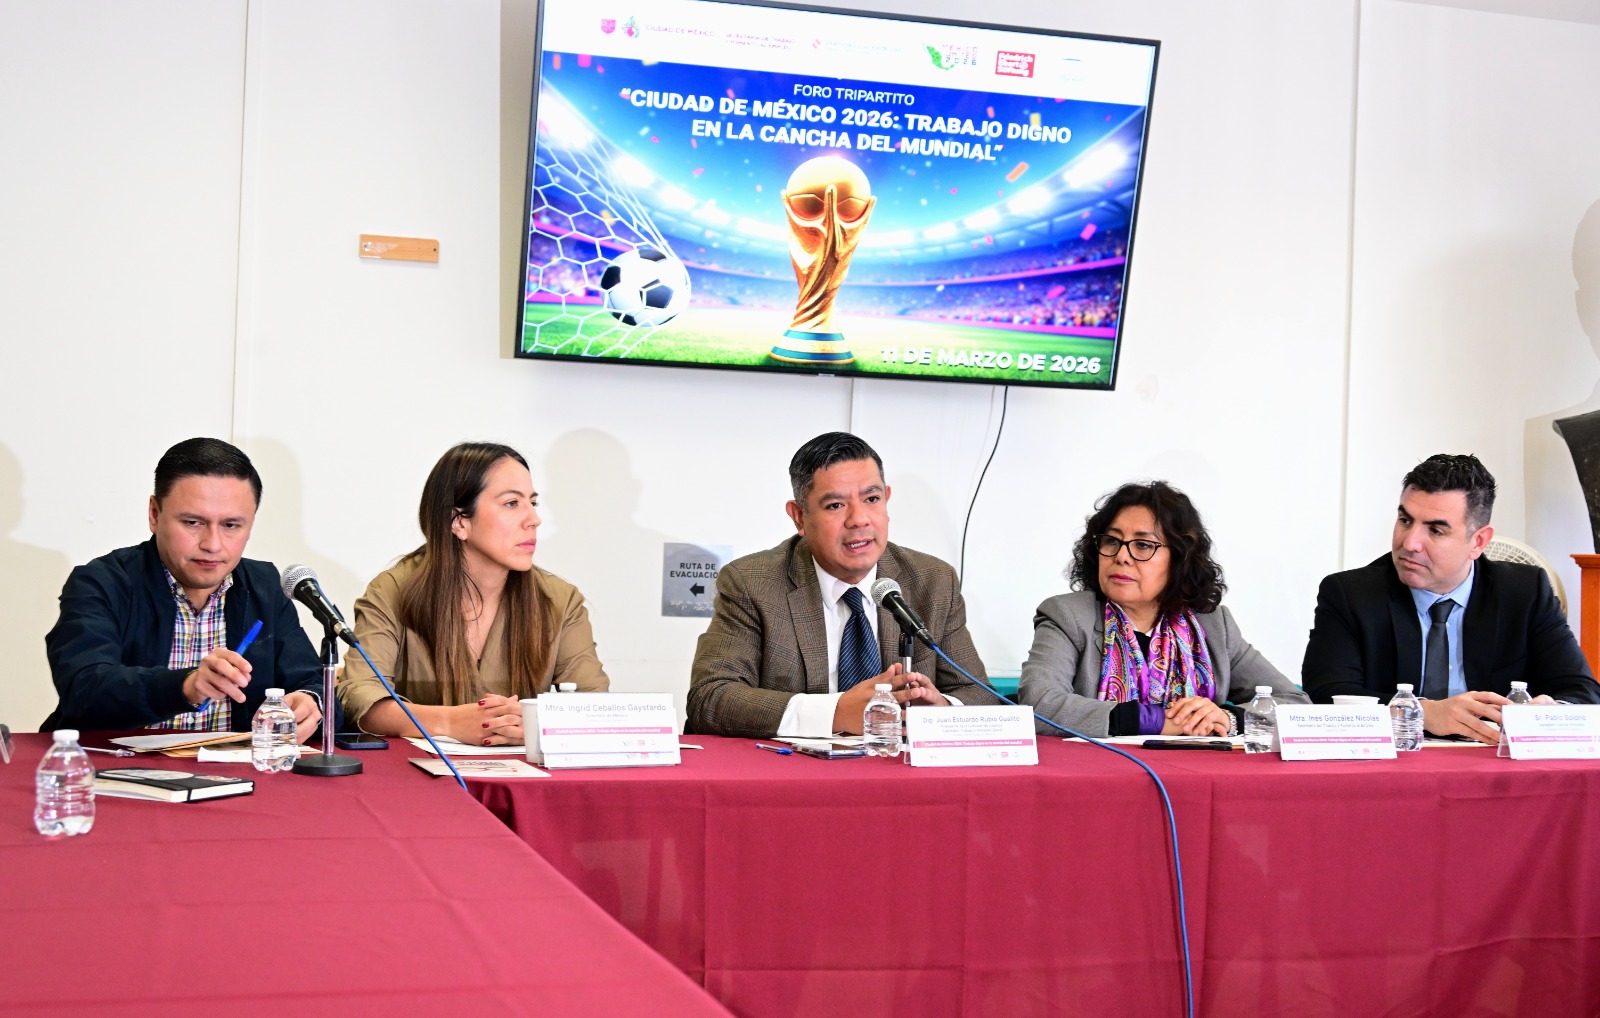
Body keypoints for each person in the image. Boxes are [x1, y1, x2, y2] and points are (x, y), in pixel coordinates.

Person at [686, 431, 995, 739]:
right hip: (797, 767)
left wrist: (941, 711)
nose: (859, 519)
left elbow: (980, 695)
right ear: (799, 517)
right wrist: (835, 713)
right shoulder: (753, 583)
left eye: (872, 499)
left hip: (894, 764)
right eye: (835, 505)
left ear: (887, 500)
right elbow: (711, 698)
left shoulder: (933, 581)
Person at [1303, 453, 1599, 742]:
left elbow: (1582, 691)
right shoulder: (1350, 594)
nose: (1410, 543)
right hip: (1398, 756)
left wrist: (1553, 711)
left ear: (1478, 541)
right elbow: (1326, 693)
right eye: (1405, 520)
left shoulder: (1525, 591)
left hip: (1491, 758)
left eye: (1435, 530)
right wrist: (1422, 712)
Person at [44, 438, 326, 741]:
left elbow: (312, 681)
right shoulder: (103, 582)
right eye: (193, 522)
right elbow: (83, 688)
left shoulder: (264, 585)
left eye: (231, 525)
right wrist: (185, 686)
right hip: (118, 764)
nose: (212, 544)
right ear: (155, 514)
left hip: (233, 766)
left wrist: (310, 701)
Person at [337, 442, 607, 746]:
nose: (534, 519)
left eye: (532, 502)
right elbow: (359, 697)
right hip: (418, 770)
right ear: (459, 521)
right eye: (512, 503)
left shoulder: (560, 600)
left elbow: (595, 705)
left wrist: (534, 722)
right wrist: (449, 722)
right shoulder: (392, 591)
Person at [1019, 481, 1306, 738]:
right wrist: (1156, 721)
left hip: (1199, 770)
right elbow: (1039, 704)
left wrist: (1228, 718)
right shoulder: (1069, 616)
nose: (1121, 556)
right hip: (1103, 770)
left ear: (1180, 558)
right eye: (1112, 541)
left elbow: (1295, 704)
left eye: (1143, 545)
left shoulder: (1213, 625)